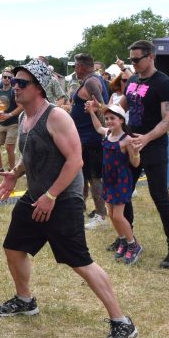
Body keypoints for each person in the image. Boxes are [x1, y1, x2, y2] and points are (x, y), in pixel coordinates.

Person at [0, 59, 139, 338]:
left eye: (22, 83)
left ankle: (122, 322)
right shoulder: (25, 118)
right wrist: (15, 174)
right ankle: (25, 300)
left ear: (39, 88)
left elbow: (75, 161)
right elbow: (29, 156)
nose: (14, 87)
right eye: (14, 82)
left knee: (80, 261)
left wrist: (51, 196)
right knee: (13, 247)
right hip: (37, 195)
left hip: (63, 198)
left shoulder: (56, 117)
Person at [119, 40, 169, 268]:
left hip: (154, 145)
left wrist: (146, 138)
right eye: (131, 60)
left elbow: (168, 120)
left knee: (160, 197)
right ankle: (128, 240)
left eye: (136, 59)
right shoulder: (134, 80)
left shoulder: (164, 83)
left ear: (150, 57)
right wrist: (103, 112)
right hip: (132, 144)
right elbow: (122, 107)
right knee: (123, 193)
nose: (133, 64)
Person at [88, 103, 142, 263]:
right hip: (108, 179)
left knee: (118, 215)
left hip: (121, 181)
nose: (109, 121)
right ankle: (123, 240)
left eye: (113, 118)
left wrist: (136, 152)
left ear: (121, 120)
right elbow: (98, 127)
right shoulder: (106, 134)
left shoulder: (127, 140)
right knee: (111, 214)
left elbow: (135, 164)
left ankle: (134, 245)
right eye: (107, 118)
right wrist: (92, 112)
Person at [68, 53, 109, 230]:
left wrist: (104, 133)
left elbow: (103, 107)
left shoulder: (92, 81)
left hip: (92, 137)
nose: (75, 70)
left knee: (95, 177)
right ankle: (80, 206)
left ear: (81, 66)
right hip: (83, 137)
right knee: (82, 175)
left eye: (76, 66)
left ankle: (101, 215)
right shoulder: (89, 81)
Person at [0, 71, 20, 177]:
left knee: (9, 147)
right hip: (2, 123)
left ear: (11, 79)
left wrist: (10, 114)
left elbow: (21, 107)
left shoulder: (13, 91)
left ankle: (12, 171)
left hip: (13, 123)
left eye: (8, 77)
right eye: (4, 77)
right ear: (1, 79)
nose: (6, 79)